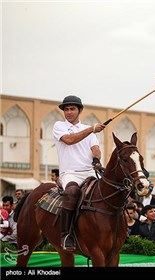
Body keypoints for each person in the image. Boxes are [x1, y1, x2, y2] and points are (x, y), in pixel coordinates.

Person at [53, 95, 105, 251]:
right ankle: (66, 235)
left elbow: (95, 149)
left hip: (90, 171)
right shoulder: (59, 126)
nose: (69, 112)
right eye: (66, 109)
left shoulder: (90, 131)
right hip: (70, 173)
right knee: (72, 192)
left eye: (72, 109)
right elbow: (69, 140)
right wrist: (91, 129)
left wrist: (96, 159)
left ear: (79, 110)